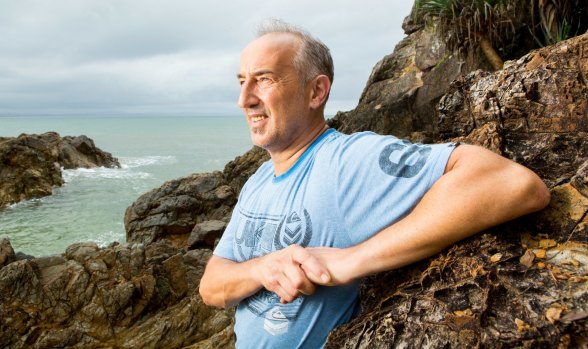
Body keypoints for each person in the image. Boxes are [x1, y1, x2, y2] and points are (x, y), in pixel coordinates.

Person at [199, 20, 550, 348]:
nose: (244, 99)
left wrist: (352, 260)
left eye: (264, 79)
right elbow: (212, 286)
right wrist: (263, 268)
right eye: (242, 80)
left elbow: (513, 183)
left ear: (316, 92)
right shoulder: (258, 181)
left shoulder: (347, 161)